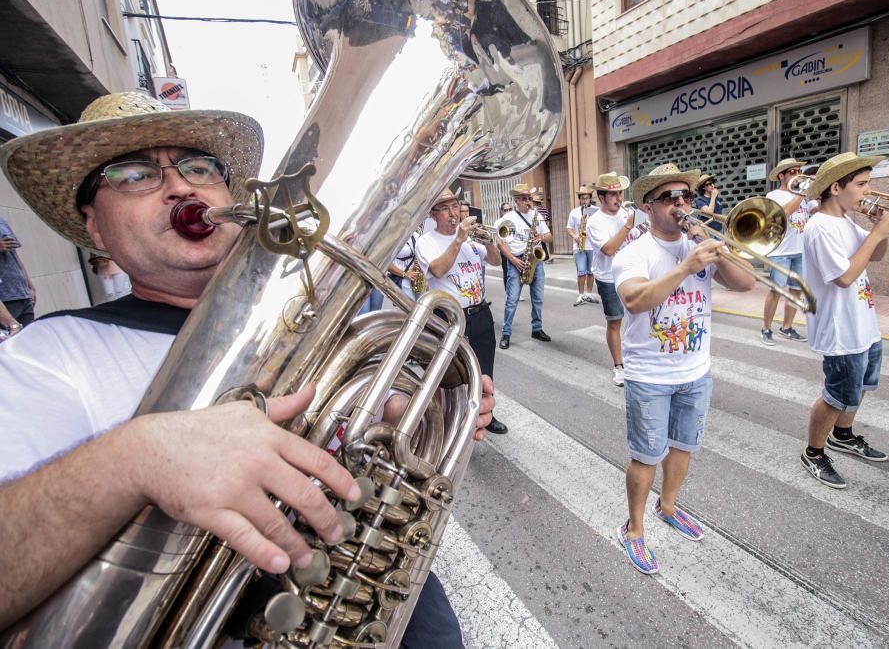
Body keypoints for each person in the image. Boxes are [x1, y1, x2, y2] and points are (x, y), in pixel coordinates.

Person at [0, 92, 494, 645]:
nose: (180, 186)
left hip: (380, 604)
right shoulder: (48, 354)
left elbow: (369, 434)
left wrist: (410, 412)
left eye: (198, 167)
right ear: (95, 227)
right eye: (135, 175)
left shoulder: (306, 314)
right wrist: (138, 457)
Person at [613, 163, 755, 575]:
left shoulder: (700, 243)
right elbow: (637, 300)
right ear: (648, 207)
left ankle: (669, 505)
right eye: (669, 198)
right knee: (646, 456)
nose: (681, 204)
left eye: (686, 196)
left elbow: (745, 285)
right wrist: (685, 267)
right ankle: (634, 528)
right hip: (650, 376)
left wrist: (713, 246)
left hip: (696, 371)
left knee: (684, 447)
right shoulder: (634, 253)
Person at [798, 152, 889, 489]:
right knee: (836, 394)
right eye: (862, 184)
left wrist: (879, 232)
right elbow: (843, 276)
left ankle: (843, 434)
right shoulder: (818, 227)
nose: (868, 191)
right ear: (836, 187)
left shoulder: (846, 221)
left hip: (863, 322)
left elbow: (875, 255)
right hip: (840, 328)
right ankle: (813, 452)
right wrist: (875, 234)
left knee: (860, 386)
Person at [417, 189, 507, 435]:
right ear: (433, 214)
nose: (453, 213)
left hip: (480, 314)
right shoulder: (426, 242)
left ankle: (486, 414)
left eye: (455, 206)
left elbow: (496, 261)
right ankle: (450, 420)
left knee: (485, 369)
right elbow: (437, 270)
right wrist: (458, 240)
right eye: (445, 208)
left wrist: (490, 243)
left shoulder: (470, 240)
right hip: (451, 318)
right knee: (453, 374)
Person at [586, 172, 634, 387]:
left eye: (620, 193)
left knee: (639, 318)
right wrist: (628, 226)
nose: (618, 198)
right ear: (602, 197)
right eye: (613, 194)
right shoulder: (594, 222)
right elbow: (608, 249)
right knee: (615, 321)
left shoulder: (627, 213)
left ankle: (636, 360)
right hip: (608, 277)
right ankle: (619, 366)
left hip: (632, 273)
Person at [760, 157, 810, 345]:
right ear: (782, 175)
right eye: (793, 172)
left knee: (796, 291)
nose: (798, 175)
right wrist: (802, 193)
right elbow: (786, 212)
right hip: (780, 252)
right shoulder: (774, 195)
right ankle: (766, 328)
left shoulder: (804, 196)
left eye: (799, 171)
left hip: (800, 251)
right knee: (776, 291)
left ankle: (787, 327)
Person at [497, 183, 552, 349]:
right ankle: (506, 333)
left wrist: (540, 237)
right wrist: (513, 260)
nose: (528, 202)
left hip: (535, 260)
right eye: (524, 199)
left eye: (529, 198)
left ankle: (537, 328)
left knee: (538, 299)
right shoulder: (509, 219)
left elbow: (549, 237)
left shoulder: (536, 215)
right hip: (517, 261)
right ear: (516, 201)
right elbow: (501, 243)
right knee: (512, 300)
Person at [0, 215, 35, 333]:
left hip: (22, 294)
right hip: (4, 300)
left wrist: (30, 286)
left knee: (30, 343)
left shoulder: (1, 221)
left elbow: (15, 256)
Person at [566, 184, 599, 306]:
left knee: (591, 272)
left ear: (590, 198)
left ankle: (589, 294)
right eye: (582, 198)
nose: (584, 200)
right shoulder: (574, 212)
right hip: (579, 246)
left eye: (586, 198)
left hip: (593, 246)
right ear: (579, 199)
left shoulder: (596, 211)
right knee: (581, 272)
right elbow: (569, 228)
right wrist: (575, 236)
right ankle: (580, 295)